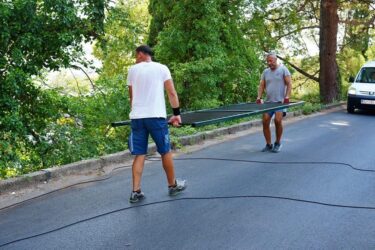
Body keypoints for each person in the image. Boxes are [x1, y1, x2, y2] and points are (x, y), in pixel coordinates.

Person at [127, 45, 187, 203]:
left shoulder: (132, 70)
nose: (135, 58)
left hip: (137, 118)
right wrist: (176, 115)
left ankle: (136, 191)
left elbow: (132, 98)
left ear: (141, 54)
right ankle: (172, 186)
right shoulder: (162, 68)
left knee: (139, 154)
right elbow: (172, 93)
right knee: (165, 152)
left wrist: (137, 113)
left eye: (135, 55)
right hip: (156, 117)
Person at [256, 52, 292, 153]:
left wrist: (287, 96)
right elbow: (261, 85)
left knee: (277, 120)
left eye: (271, 61)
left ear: (276, 60)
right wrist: (259, 97)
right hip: (268, 102)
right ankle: (268, 144)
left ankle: (278, 143)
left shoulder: (283, 69)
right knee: (265, 121)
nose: (269, 63)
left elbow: (289, 84)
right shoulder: (265, 72)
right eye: (267, 61)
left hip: (280, 102)